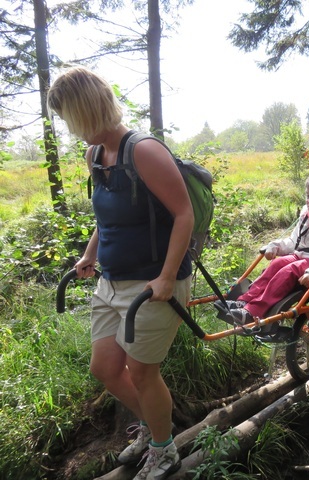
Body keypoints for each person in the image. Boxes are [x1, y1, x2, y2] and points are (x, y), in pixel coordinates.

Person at [47, 66, 192, 479]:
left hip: (153, 284)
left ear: (89, 111)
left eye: (71, 120)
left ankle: (165, 451)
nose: (71, 131)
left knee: (143, 371)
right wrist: (89, 255)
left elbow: (184, 214)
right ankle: (152, 427)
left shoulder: (144, 150)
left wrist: (165, 278)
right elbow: (105, 218)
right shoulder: (95, 155)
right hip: (110, 280)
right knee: (106, 370)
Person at [220, 172, 309, 325]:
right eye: (308, 196)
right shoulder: (308, 214)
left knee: (290, 269)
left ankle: (252, 312)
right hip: (304, 257)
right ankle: (244, 301)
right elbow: (294, 242)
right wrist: (276, 246)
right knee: (277, 264)